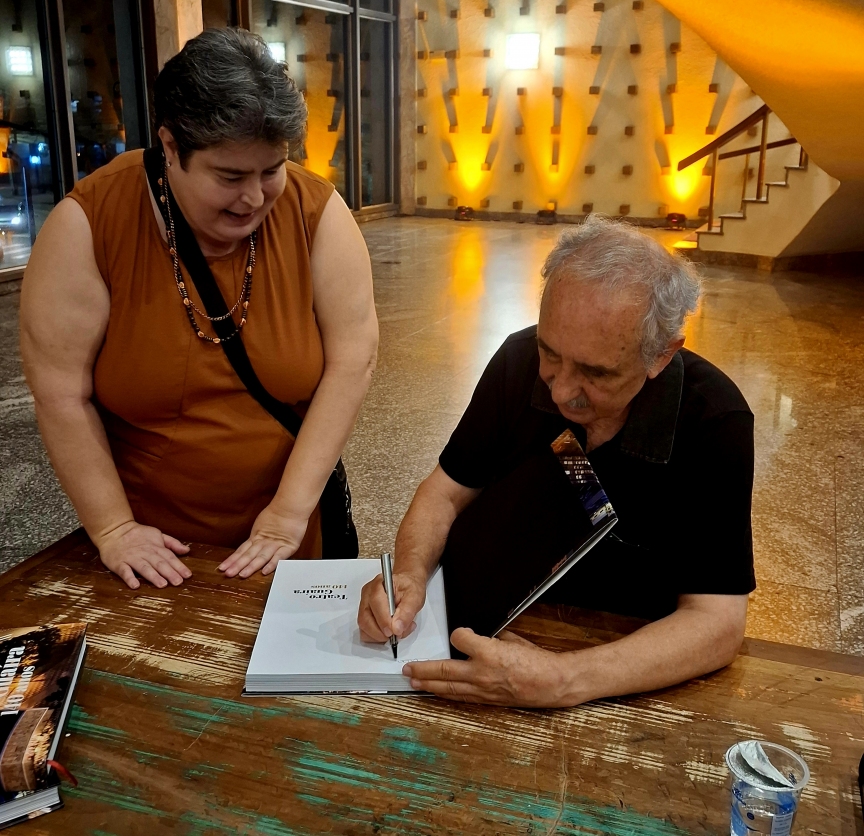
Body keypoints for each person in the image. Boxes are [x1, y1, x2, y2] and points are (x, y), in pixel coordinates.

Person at [20, 29, 378, 590]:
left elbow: (352, 362)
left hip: (287, 530)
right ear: (170, 147)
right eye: (230, 177)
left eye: (271, 170)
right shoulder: (90, 222)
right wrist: (114, 528)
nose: (254, 198)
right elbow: (61, 393)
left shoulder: (317, 212)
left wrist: (288, 513)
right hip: (153, 549)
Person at [358, 215, 755, 708]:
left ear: (661, 354)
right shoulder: (518, 360)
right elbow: (445, 491)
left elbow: (717, 620)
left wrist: (565, 678)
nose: (562, 391)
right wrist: (409, 575)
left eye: (596, 373)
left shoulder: (713, 418)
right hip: (491, 619)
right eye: (550, 353)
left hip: (619, 661)